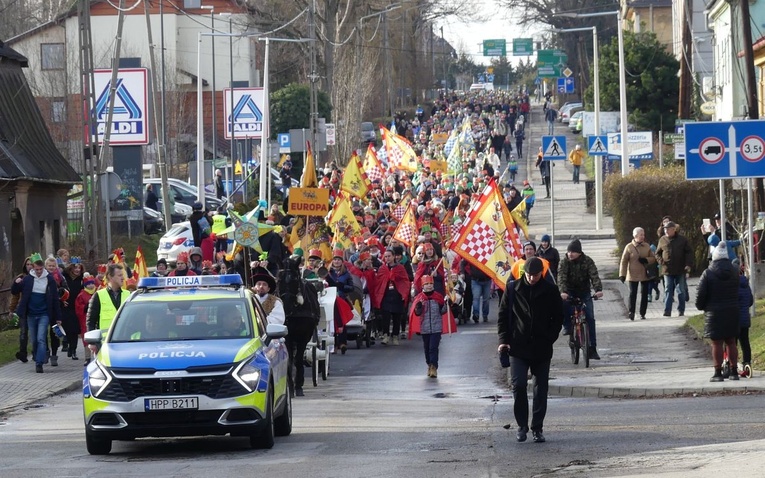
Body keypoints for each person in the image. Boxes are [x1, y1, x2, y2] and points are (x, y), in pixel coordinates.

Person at [497, 257, 564, 444]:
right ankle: (522, 426)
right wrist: (503, 340)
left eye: (535, 275)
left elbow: (558, 317)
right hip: (518, 346)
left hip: (542, 346)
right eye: (529, 275)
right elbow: (503, 316)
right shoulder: (512, 288)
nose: (532, 278)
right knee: (518, 385)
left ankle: (537, 427)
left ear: (541, 274)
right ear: (523, 273)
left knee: (540, 389)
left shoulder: (550, 290)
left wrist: (550, 337)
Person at [695, 242, 740, 381]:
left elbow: (700, 294)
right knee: (731, 342)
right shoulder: (734, 271)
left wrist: (701, 306)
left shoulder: (708, 273)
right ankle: (734, 371)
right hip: (732, 310)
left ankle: (718, 373)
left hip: (714, 312)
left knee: (717, 343)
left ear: (714, 257)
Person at [15, 253, 62, 373]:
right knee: (34, 340)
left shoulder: (49, 279)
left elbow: (55, 299)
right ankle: (37, 355)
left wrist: (58, 317)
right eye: (37, 269)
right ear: (33, 268)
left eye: (41, 269)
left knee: (41, 338)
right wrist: (16, 282)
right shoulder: (28, 279)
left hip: (44, 314)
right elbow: (14, 290)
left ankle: (39, 363)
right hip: (31, 314)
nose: (39, 272)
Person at [558, 239, 604, 360]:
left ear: (579, 252)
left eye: (573, 252)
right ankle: (567, 326)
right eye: (569, 251)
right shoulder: (564, 262)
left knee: (590, 317)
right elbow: (561, 277)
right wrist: (563, 292)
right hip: (569, 292)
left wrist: (598, 290)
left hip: (584, 292)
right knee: (564, 306)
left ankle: (592, 348)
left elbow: (594, 276)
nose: (570, 254)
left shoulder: (587, 261)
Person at [410, 275, 448, 378]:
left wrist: (446, 304)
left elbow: (443, 311)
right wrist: (419, 306)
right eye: (426, 284)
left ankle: (434, 367)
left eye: (431, 284)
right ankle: (429, 364)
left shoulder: (438, 297)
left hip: (436, 327)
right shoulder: (420, 298)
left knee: (433, 347)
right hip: (425, 328)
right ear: (423, 286)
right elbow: (417, 313)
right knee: (427, 348)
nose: (429, 286)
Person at [371, 248, 411, 345]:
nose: (387, 258)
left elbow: (405, 281)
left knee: (397, 317)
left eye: (389, 256)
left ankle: (395, 336)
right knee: (386, 317)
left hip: (397, 295)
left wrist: (404, 294)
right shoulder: (383, 268)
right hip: (386, 295)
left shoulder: (400, 268)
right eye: (386, 256)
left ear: (393, 257)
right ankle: (386, 335)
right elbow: (378, 282)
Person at [655, 221, 693, 317]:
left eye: (668, 229)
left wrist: (688, 264)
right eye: (665, 229)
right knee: (668, 290)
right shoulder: (662, 240)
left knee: (681, 290)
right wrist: (661, 262)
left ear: (673, 229)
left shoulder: (682, 240)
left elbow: (689, 253)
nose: (666, 231)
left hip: (680, 269)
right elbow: (657, 253)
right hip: (667, 270)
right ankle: (667, 311)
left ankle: (681, 310)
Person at [619, 227, 656, 321]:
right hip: (632, 274)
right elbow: (624, 261)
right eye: (641, 235)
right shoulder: (629, 247)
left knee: (644, 294)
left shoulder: (647, 246)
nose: (643, 236)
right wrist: (622, 274)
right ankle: (631, 312)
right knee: (632, 294)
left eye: (643, 235)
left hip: (644, 274)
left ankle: (642, 313)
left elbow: (653, 258)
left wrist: (646, 260)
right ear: (635, 236)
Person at [87, 264, 129, 336]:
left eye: (122, 275)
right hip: (105, 344)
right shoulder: (98, 296)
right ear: (110, 276)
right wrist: (92, 342)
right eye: (119, 275)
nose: (123, 278)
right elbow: (90, 322)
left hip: (125, 341)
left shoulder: (129, 295)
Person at [10, 256, 33, 363]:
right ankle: (22, 353)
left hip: (34, 307)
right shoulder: (21, 277)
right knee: (23, 332)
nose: (29, 267)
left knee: (35, 332)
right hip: (24, 308)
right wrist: (12, 309)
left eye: (31, 264)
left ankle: (36, 352)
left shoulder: (37, 277)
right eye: (27, 265)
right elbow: (15, 295)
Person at [62, 260, 85, 360]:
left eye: (79, 268)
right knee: (67, 328)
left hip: (76, 306)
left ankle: (73, 349)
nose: (77, 270)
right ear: (71, 268)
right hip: (66, 306)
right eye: (75, 268)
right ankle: (67, 344)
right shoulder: (65, 278)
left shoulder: (81, 280)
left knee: (75, 330)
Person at [75, 273, 97, 365]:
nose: (91, 285)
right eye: (88, 284)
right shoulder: (81, 295)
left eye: (92, 283)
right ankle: (87, 357)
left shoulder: (98, 293)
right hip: (85, 319)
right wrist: (86, 307)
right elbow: (78, 307)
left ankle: (97, 357)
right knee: (86, 338)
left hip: (96, 318)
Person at [737, 265, 754, 377]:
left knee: (732, 343)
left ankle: (731, 364)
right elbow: (750, 301)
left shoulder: (732, 286)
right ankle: (747, 362)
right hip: (745, 319)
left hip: (734, 320)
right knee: (745, 343)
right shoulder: (746, 285)